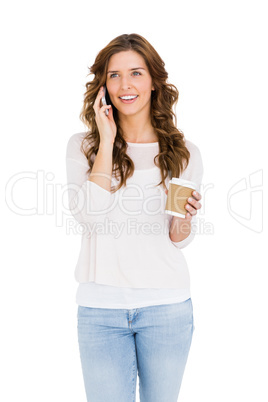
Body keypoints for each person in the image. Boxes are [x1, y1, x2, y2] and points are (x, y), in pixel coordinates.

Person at [66, 33, 203, 402]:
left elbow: (177, 236)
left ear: (154, 82)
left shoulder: (183, 152)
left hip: (166, 307)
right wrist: (108, 140)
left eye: (136, 73)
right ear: (103, 85)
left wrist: (185, 220)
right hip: (100, 311)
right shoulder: (85, 146)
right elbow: (89, 216)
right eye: (114, 75)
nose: (125, 85)